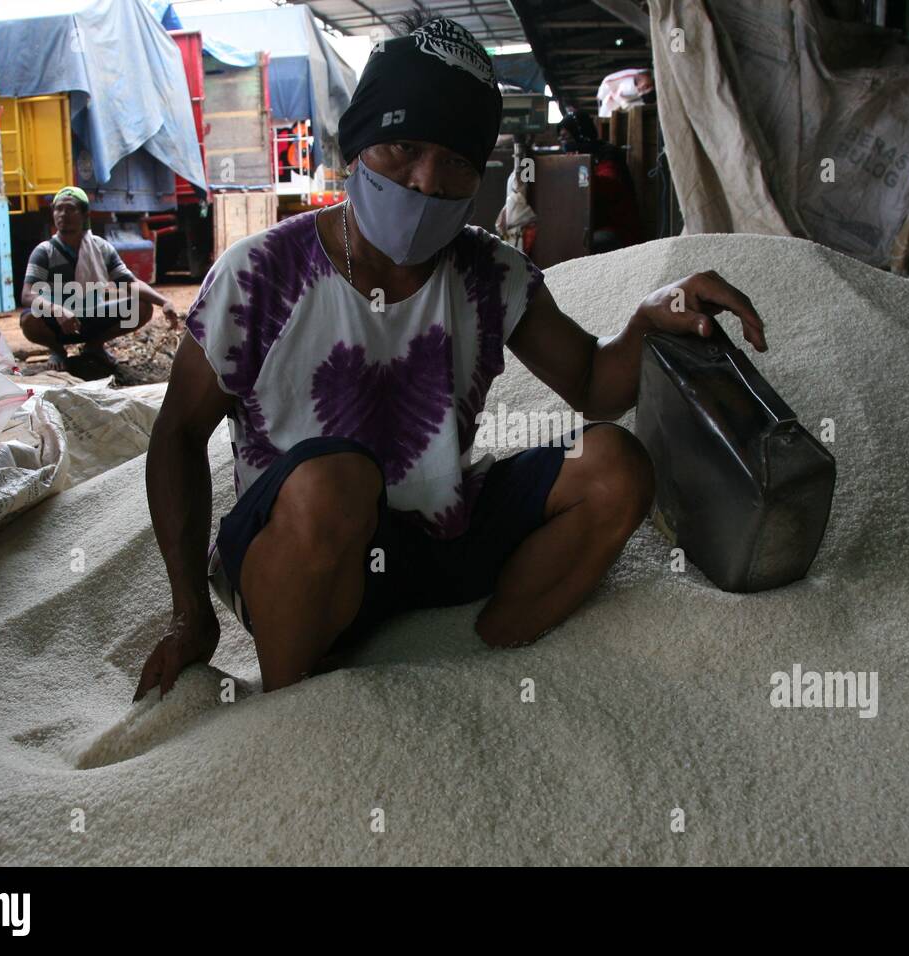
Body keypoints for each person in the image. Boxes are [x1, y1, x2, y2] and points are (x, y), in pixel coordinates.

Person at [133, 14, 767, 699]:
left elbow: (593, 385)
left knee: (616, 466)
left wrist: (650, 319)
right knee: (334, 482)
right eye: (402, 147)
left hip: (438, 539)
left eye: (457, 162)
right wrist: (187, 613)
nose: (427, 182)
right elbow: (176, 435)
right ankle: (298, 707)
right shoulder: (260, 274)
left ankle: (491, 656)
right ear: (358, 142)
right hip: (306, 549)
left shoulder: (490, 273)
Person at [18, 186, 180, 370]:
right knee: (29, 320)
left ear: (85, 214)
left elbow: (129, 283)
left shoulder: (101, 248)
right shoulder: (44, 251)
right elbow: (27, 294)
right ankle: (57, 350)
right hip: (58, 322)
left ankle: (94, 346)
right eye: (58, 209)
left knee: (142, 307)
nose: (63, 214)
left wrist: (164, 302)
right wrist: (57, 310)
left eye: (70, 209)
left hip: (93, 315)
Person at [557, 109, 644, 252]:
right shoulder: (578, 157)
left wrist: (579, 167)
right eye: (560, 139)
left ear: (580, 134)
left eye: (566, 137)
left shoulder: (606, 154)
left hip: (617, 229)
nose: (563, 143)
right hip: (592, 225)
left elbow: (608, 184)